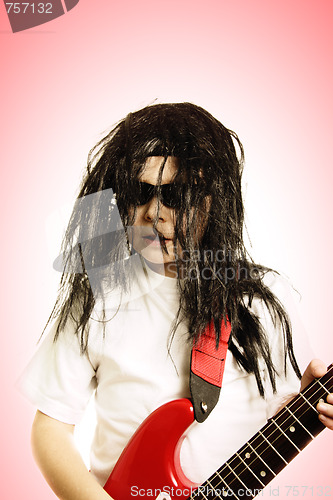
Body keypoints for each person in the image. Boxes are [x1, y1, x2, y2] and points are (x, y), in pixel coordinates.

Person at [20, 103, 333, 500]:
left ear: (213, 201)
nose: (153, 213)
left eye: (176, 195)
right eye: (141, 193)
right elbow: (50, 427)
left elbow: (271, 413)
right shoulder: (99, 296)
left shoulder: (262, 300)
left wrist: (307, 407)